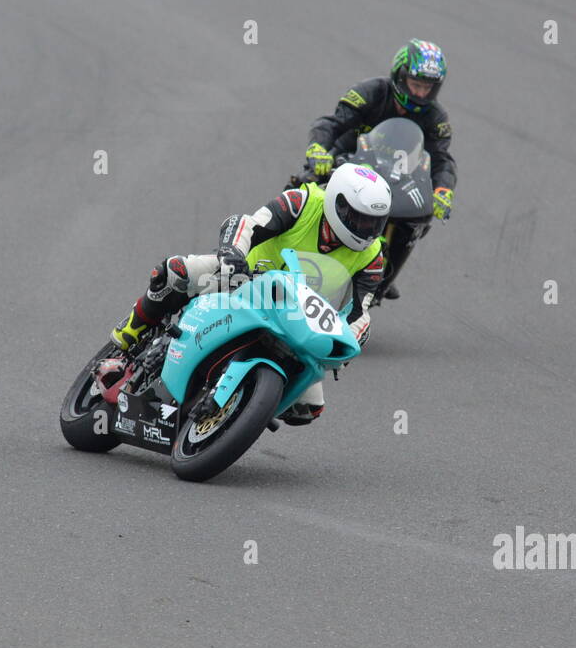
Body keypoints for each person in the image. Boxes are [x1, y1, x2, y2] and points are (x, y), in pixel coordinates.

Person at [109, 164, 391, 425]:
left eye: (374, 223)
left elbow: (359, 310)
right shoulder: (302, 201)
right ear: (336, 202)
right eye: (359, 219)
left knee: (307, 408)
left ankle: (240, 407)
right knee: (173, 273)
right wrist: (233, 253)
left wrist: (350, 339)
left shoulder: (372, 255)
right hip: (242, 280)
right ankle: (125, 344)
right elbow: (248, 223)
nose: (367, 230)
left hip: (297, 319)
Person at [296, 39, 456, 299]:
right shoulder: (370, 92)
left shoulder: (436, 118)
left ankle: (385, 271)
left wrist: (443, 189)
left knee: (420, 215)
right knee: (307, 181)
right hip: (349, 157)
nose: (420, 94)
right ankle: (281, 234)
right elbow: (331, 123)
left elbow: (442, 159)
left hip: (400, 175)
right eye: (416, 85)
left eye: (428, 88)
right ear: (400, 76)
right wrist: (318, 149)